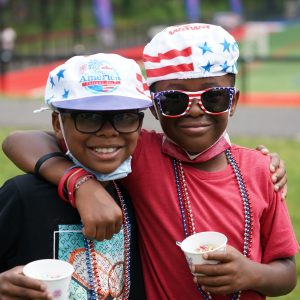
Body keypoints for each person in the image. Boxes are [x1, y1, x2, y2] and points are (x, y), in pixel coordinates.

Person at [2, 23, 298, 299]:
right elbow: (20, 140)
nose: (195, 111)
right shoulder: (139, 152)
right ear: (154, 109)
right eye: (174, 100)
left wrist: (252, 275)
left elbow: (287, 271)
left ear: (232, 102)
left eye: (215, 97)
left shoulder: (260, 170)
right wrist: (81, 184)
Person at [0, 53, 153, 299]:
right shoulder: (23, 195)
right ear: (58, 124)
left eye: (124, 117)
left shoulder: (138, 191)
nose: (108, 133)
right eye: (89, 117)